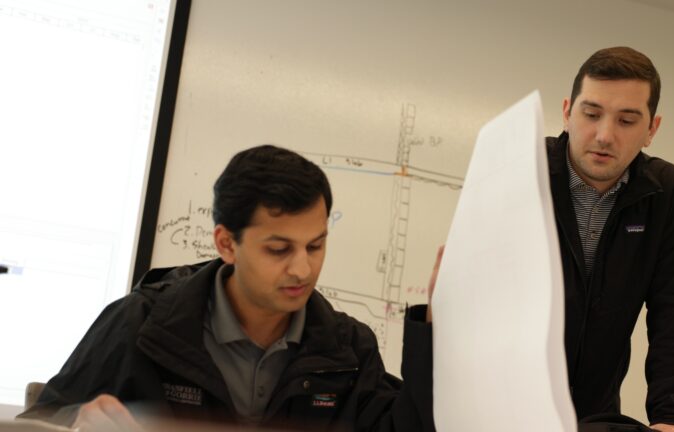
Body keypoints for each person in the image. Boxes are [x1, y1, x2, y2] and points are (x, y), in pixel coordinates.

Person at [19, 145, 436, 432]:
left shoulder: (349, 351)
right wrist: (77, 420)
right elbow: (36, 421)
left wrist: (436, 328)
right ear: (225, 243)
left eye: (316, 244)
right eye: (279, 249)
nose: (303, 268)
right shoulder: (139, 324)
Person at [550, 47, 674, 432]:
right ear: (567, 112)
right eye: (591, 114)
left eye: (626, 120)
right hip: (501, 404)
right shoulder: (520, 169)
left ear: (651, 129)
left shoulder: (666, 193)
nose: (605, 135)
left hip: (593, 414)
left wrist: (673, 418)